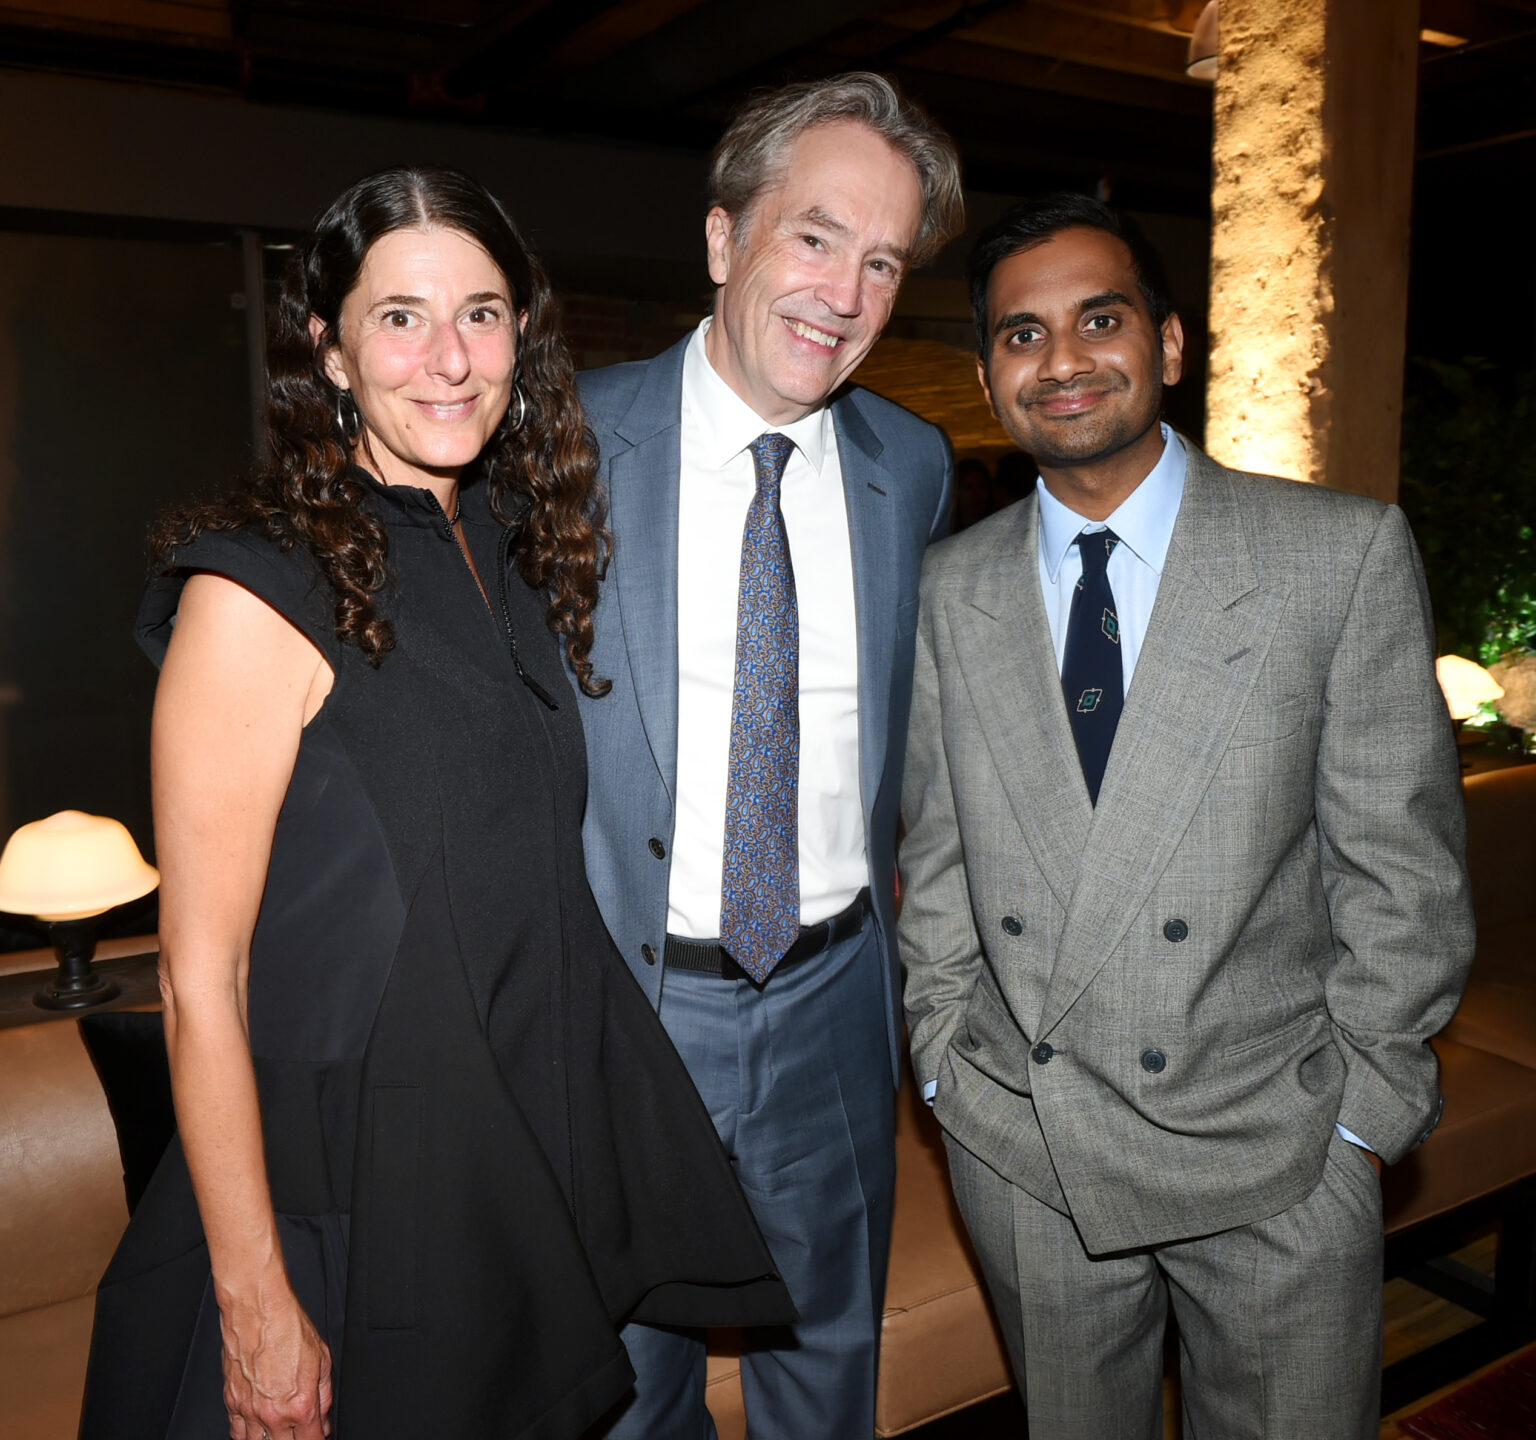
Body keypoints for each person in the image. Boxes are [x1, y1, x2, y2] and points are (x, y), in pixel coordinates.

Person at [79, 164, 791, 1440]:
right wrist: (257, 1305)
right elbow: (200, 978)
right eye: (399, 316)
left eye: (481, 312)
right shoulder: (252, 590)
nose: (449, 358)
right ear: (331, 353)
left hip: (501, 1166)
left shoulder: (510, 553)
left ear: (524, 331)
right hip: (341, 1197)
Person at [898, 193, 1475, 1439]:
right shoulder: (949, 588)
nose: (1061, 360)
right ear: (990, 376)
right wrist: (945, 1069)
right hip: (1028, 1147)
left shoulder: (1338, 553)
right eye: (1020, 333)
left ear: (1166, 344)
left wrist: (1363, 1118)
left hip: (1276, 1145)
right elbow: (935, 863)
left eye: (1098, 320)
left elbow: (1404, 871)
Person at [573, 74, 964, 1438]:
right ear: (725, 238)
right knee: (626, 1386)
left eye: (882, 262)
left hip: (835, 1007)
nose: (845, 293)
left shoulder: (911, 466)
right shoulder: (554, 442)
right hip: (626, 1015)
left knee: (824, 1369)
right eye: (815, 237)